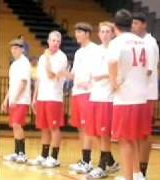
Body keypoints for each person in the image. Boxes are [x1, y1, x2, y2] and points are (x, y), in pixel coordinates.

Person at [107, 9, 149, 180]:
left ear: (115, 25)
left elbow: (111, 62)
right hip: (140, 96)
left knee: (124, 140)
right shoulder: (142, 42)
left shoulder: (116, 43)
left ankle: (128, 177)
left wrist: (113, 82)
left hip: (125, 98)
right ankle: (136, 174)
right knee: (133, 139)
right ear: (131, 24)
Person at [27, 31, 68, 168]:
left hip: (54, 97)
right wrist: (34, 97)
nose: (55, 43)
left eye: (57, 41)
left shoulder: (61, 57)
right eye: (53, 40)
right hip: (42, 97)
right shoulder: (42, 57)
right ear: (48, 41)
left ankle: (54, 157)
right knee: (44, 127)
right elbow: (39, 78)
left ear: (60, 43)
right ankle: (44, 156)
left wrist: (48, 58)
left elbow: (51, 75)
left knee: (54, 127)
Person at [85, 21, 120, 179]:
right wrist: (105, 74)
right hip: (95, 95)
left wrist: (106, 75)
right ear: (98, 34)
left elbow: (117, 72)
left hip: (108, 97)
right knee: (95, 133)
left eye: (108, 31)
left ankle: (102, 166)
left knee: (105, 134)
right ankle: (111, 161)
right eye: (102, 31)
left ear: (112, 34)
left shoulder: (116, 50)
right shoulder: (95, 51)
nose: (105, 34)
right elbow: (93, 73)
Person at [68, 22, 99, 174]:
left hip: (89, 93)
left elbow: (98, 70)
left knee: (88, 127)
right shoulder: (79, 52)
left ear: (87, 33)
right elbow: (73, 74)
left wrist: (90, 83)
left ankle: (89, 161)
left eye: (79, 32)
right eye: (76, 32)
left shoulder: (95, 50)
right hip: (77, 92)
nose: (77, 35)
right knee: (80, 127)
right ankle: (84, 159)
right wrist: (61, 73)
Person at [131, 12, 159, 179]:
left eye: (136, 23)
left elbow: (149, 69)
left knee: (143, 133)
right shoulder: (138, 42)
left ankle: (142, 172)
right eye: (132, 23)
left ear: (144, 25)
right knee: (135, 133)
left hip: (145, 94)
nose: (133, 26)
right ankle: (136, 171)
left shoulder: (150, 43)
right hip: (138, 94)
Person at [1, 38, 31, 164]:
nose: (13, 50)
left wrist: (16, 98)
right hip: (13, 100)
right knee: (14, 125)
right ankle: (16, 152)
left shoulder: (24, 63)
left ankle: (22, 154)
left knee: (17, 125)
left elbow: (23, 84)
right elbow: (11, 85)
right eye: (12, 48)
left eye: (16, 48)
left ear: (22, 49)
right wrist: (6, 99)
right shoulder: (13, 64)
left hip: (21, 100)